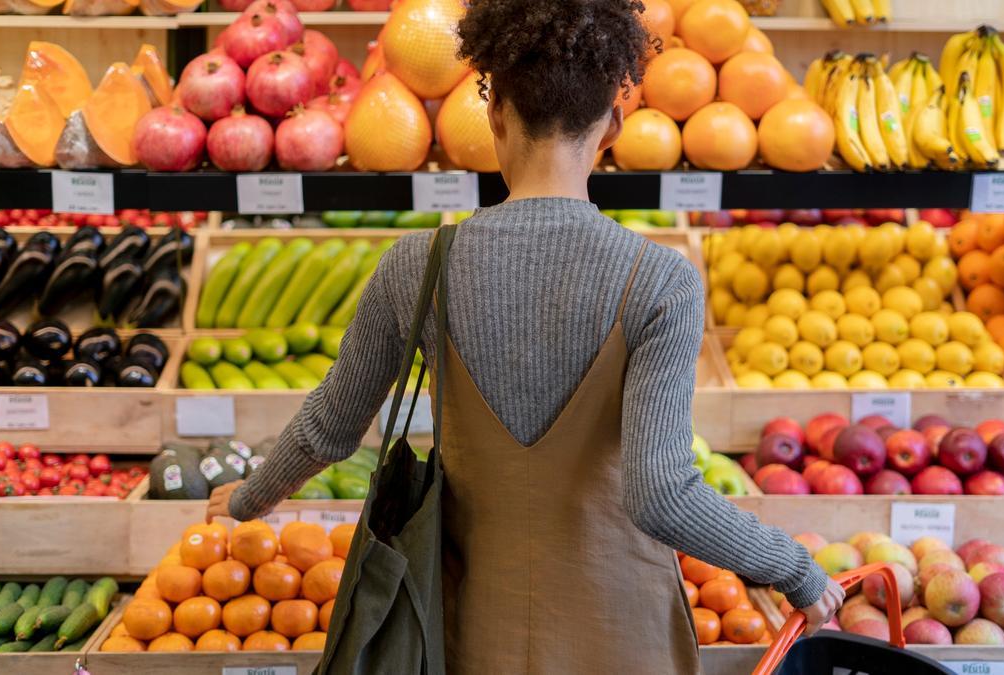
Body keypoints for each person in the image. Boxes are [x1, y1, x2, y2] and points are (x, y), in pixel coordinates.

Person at [208, 0, 842, 670]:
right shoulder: (662, 281)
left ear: (495, 112)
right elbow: (660, 493)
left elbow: (330, 428)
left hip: (469, 628)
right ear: (614, 124)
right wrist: (794, 568)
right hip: (620, 631)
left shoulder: (417, 266)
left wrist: (248, 497)